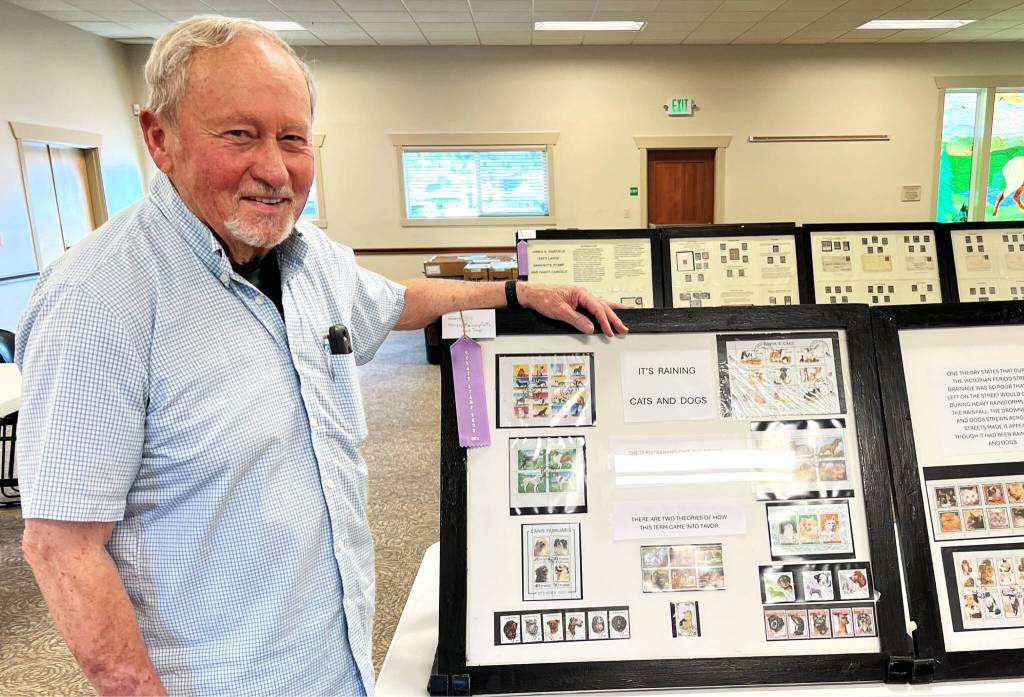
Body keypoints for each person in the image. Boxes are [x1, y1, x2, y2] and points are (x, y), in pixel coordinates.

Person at [15, 16, 627, 697]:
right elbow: (61, 547)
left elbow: (396, 300)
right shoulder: (99, 300)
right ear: (161, 137)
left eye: (293, 139)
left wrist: (516, 290)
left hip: (335, 662)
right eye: (240, 134)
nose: (274, 169)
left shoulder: (312, 260)